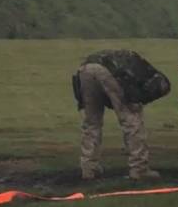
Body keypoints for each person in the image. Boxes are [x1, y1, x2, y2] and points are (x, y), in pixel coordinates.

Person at [73, 49, 170, 180]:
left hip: (85, 69)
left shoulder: (136, 62)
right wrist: (134, 103)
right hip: (109, 71)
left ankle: (89, 168)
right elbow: (130, 97)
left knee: (91, 122)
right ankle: (139, 168)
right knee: (131, 120)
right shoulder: (142, 72)